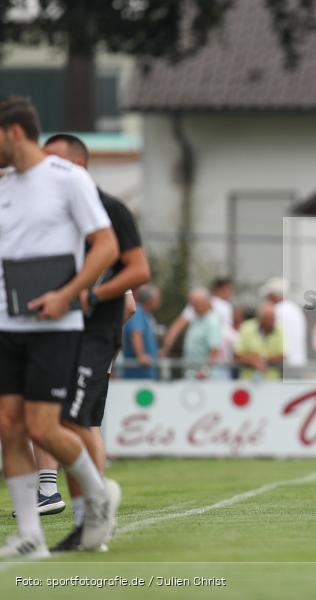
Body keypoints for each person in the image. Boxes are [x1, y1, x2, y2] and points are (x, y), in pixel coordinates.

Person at [0, 97, 121, 558]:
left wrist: (67, 294)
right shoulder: (5, 186)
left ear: (14, 132)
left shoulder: (68, 179)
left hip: (55, 324)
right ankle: (31, 535)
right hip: (6, 322)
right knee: (9, 426)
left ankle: (98, 495)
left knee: (44, 427)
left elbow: (106, 247)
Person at [29, 134, 150, 551]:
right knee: (53, 421)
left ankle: (92, 513)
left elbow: (135, 279)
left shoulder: (109, 210)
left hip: (94, 335)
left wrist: (90, 299)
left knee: (77, 421)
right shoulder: (50, 212)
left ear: (79, 165)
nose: (46, 169)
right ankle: (85, 513)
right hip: (53, 333)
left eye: (55, 161)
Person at [160, 277, 236, 367]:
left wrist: (166, 348)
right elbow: (176, 327)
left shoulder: (219, 311)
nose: (230, 293)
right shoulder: (201, 307)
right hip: (206, 365)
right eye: (228, 289)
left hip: (213, 366)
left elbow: (176, 328)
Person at [260, 277, 307, 377]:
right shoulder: (296, 309)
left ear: (273, 296)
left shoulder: (277, 310)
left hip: (282, 365)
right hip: (298, 363)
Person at [234, 301, 284, 380]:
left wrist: (263, 359)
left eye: (273, 318)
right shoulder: (246, 328)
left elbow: (283, 355)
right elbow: (237, 355)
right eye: (269, 319)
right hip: (247, 381)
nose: (272, 321)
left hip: (272, 381)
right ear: (261, 319)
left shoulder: (279, 330)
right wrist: (252, 359)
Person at [183, 287, 225, 380]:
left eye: (195, 304)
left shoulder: (212, 321)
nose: (192, 307)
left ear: (205, 303)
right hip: (193, 376)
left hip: (205, 379)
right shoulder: (196, 319)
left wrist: (205, 371)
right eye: (191, 304)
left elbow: (215, 350)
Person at [122, 284, 161, 380]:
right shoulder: (138, 312)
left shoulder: (145, 314)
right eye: (157, 298)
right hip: (137, 375)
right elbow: (135, 333)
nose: (159, 301)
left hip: (144, 373)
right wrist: (141, 355)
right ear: (150, 300)